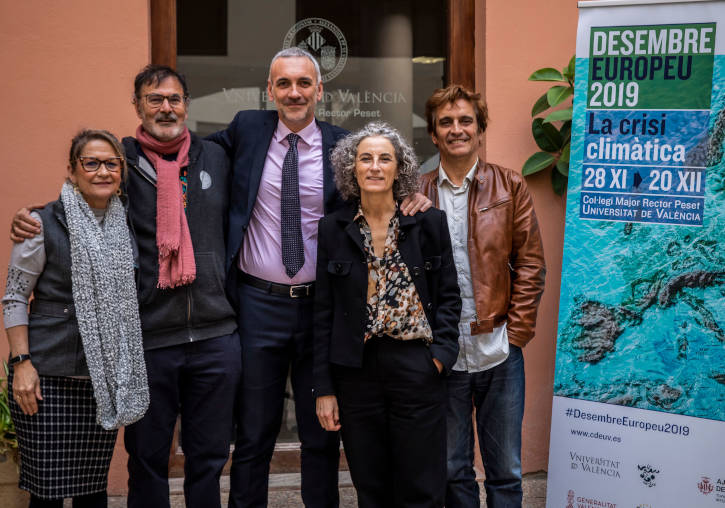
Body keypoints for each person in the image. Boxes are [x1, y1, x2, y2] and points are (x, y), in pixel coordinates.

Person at [206, 47, 430, 508]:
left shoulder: (344, 148)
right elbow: (189, 155)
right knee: (254, 433)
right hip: (257, 304)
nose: (294, 93)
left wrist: (416, 196)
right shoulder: (247, 129)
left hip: (322, 309)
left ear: (319, 90)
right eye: (283, 84)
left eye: (303, 83)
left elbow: (381, 179)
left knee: (321, 432)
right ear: (270, 90)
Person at [10, 66, 241, 508]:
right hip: (147, 338)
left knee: (209, 457)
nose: (165, 107)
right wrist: (32, 215)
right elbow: (79, 200)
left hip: (216, 336)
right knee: (147, 458)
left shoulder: (216, 157)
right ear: (137, 106)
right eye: (154, 99)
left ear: (186, 105)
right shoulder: (122, 161)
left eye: (174, 98)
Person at [314, 122, 461, 508]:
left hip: (416, 365)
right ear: (353, 169)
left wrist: (441, 358)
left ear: (400, 169)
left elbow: (449, 296)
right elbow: (323, 313)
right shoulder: (332, 229)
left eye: (385, 158)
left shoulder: (428, 223)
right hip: (356, 371)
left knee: (423, 486)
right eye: (366, 158)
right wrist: (325, 388)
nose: (375, 166)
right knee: (371, 485)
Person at [2, 129, 148, 508]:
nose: (102, 171)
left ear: (121, 170)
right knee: (47, 494)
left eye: (111, 163)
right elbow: (15, 296)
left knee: (92, 493)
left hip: (101, 381)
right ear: (72, 171)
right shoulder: (40, 223)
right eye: (91, 163)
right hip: (46, 380)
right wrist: (21, 363)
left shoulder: (127, 222)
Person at [420, 85, 546, 508]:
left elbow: (531, 264)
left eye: (465, 121)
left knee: (506, 472)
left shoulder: (509, 186)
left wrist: (517, 335)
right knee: (452, 469)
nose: (457, 130)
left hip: (499, 351)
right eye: (446, 123)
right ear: (434, 135)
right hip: (444, 354)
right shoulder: (417, 195)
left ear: (480, 130)